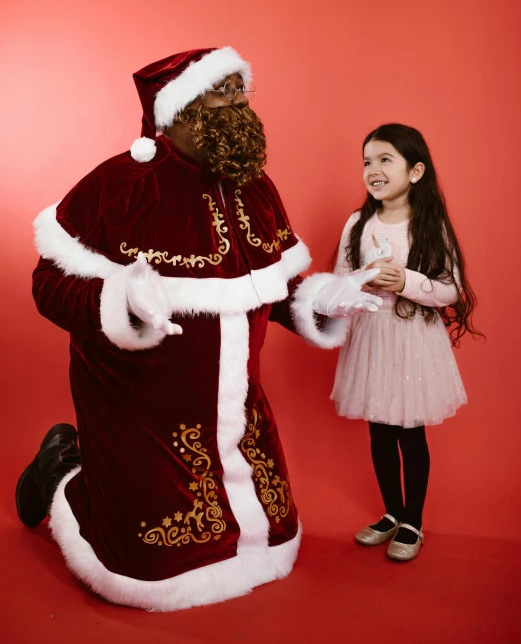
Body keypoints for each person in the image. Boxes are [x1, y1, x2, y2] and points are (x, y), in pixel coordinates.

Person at [16, 47, 381, 611]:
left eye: (242, 90)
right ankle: (61, 468)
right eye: (223, 90)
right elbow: (49, 282)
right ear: (181, 109)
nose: (239, 102)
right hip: (138, 406)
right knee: (151, 563)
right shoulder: (119, 184)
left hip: (238, 405)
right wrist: (120, 301)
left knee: (275, 535)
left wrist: (321, 296)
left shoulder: (255, 185)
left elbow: (269, 285)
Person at [331, 123, 480, 561]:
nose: (372, 170)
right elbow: (341, 278)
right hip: (373, 337)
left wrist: (408, 280)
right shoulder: (357, 223)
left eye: (383, 160)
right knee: (379, 429)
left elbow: (450, 288)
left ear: (415, 172)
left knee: (409, 432)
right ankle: (391, 513)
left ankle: (412, 520)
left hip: (412, 338)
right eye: (366, 162)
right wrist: (361, 282)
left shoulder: (430, 222)